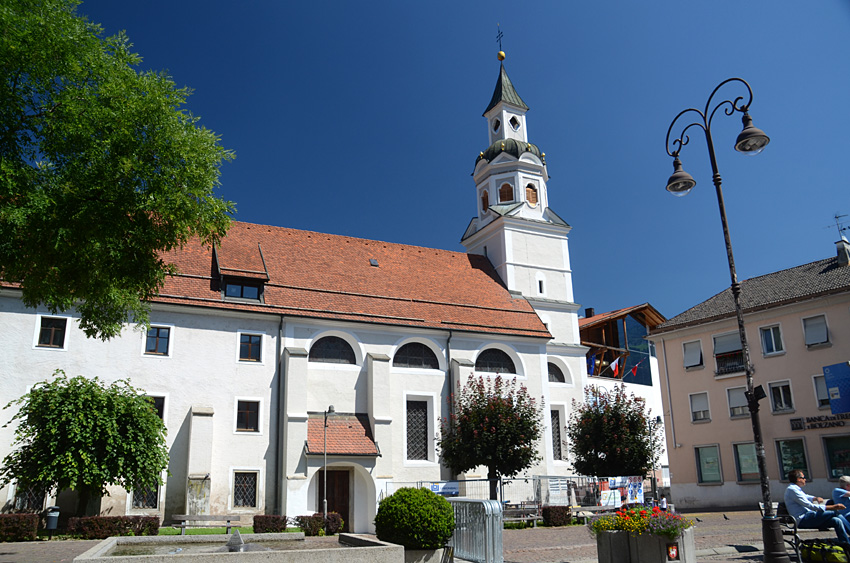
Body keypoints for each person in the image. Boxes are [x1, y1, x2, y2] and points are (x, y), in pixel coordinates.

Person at [784, 469, 850, 543]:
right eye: (803, 478)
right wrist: (833, 507)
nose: (805, 479)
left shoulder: (795, 489)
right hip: (803, 519)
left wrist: (815, 498)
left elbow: (805, 496)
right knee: (835, 513)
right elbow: (810, 505)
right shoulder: (792, 490)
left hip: (809, 516)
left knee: (836, 521)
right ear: (798, 479)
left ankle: (846, 544)